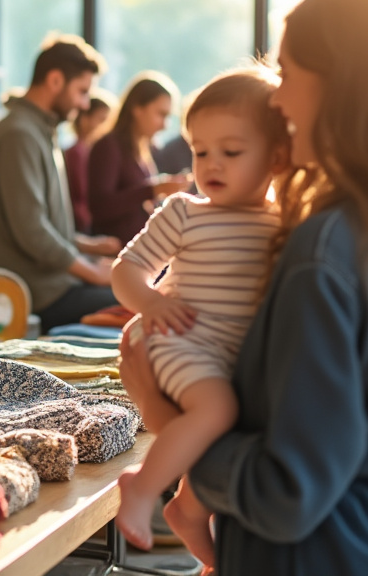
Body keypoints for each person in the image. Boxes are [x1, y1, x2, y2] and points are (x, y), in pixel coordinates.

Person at [119, 0, 368, 575]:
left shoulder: (322, 251)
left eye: (287, 72)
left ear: (340, 88)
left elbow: (288, 493)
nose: (276, 100)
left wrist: (161, 413)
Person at [112, 67, 289, 567]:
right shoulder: (185, 212)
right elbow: (127, 268)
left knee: (228, 422)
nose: (211, 164)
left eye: (231, 152)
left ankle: (190, 509)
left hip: (230, 353)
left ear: (276, 156)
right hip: (180, 339)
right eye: (200, 150)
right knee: (216, 412)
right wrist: (151, 303)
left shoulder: (283, 222)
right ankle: (145, 488)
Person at [0, 33, 124, 332]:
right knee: (132, 303)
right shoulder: (19, 134)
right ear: (55, 80)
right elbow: (32, 232)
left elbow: (43, 225)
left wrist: (88, 247)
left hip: (57, 284)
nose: (85, 104)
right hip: (41, 295)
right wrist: (92, 272)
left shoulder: (41, 131)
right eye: (82, 91)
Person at [88, 71, 192, 244]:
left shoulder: (144, 149)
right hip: (114, 251)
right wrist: (153, 189)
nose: (165, 125)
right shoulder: (108, 146)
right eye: (161, 114)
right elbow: (100, 207)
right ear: (137, 109)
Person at [63, 91, 115, 234]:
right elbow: (82, 195)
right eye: (102, 120)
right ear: (84, 119)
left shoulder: (92, 152)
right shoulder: (77, 153)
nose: (107, 127)